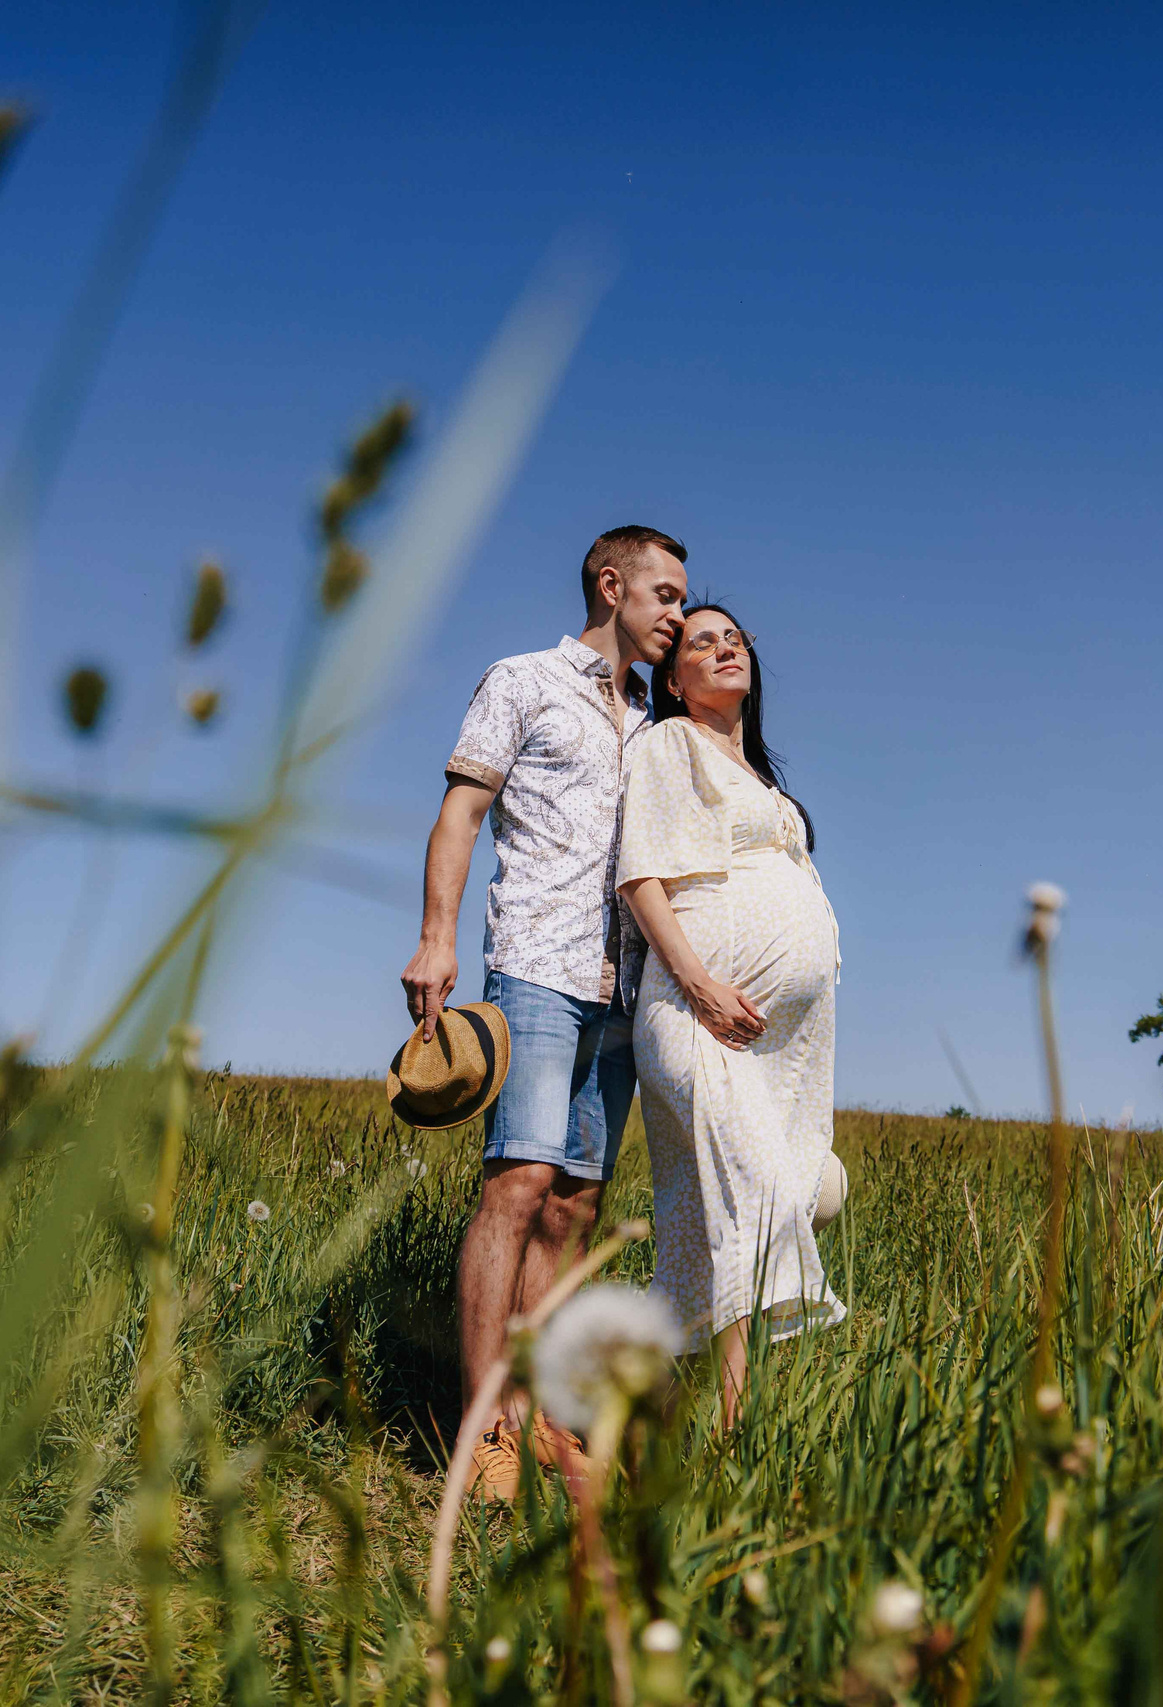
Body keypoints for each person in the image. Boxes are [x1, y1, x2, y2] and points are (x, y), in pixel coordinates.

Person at [401, 524, 689, 1501]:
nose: (677, 616)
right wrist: (437, 938)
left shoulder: (656, 726)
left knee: (574, 1207)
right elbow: (460, 814)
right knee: (516, 1186)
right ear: (612, 586)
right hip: (532, 965)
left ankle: (541, 1419)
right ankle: (481, 1427)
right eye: (664, 596)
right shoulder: (520, 680)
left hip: (624, 988)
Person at [616, 603, 845, 1428]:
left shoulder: (763, 781)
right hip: (694, 1012)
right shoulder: (666, 745)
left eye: (734, 638)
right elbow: (642, 876)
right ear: (673, 681)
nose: (722, 648)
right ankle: (735, 1431)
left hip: (776, 1043)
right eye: (701, 641)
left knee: (697, 1218)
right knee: (758, 1193)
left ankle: (655, 1417)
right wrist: (704, 985)